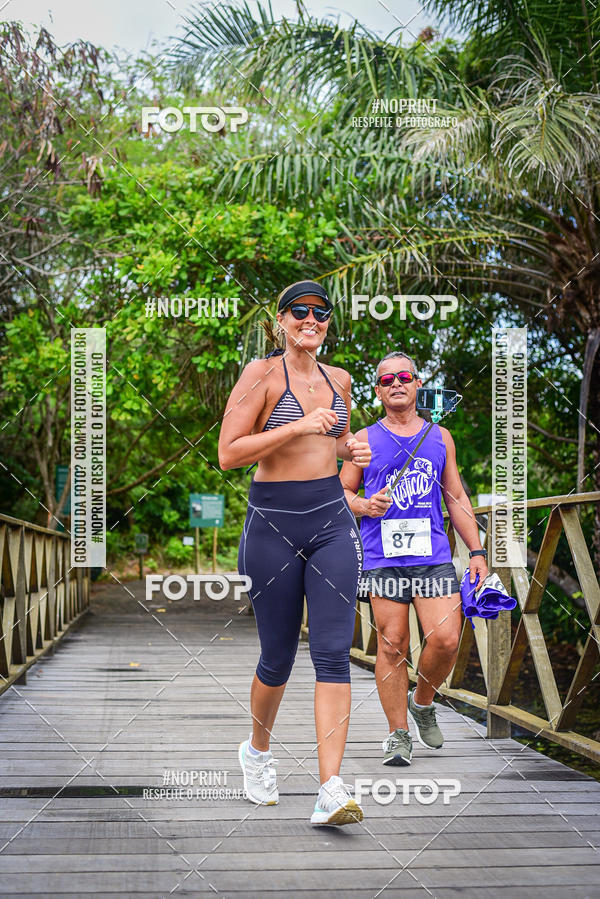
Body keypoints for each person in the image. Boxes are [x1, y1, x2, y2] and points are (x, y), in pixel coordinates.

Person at [218, 280, 371, 825]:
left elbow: (335, 448)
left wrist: (349, 449)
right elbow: (228, 453)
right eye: (300, 311)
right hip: (273, 524)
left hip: (330, 519)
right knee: (277, 658)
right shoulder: (260, 375)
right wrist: (300, 426)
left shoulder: (341, 381)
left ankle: (331, 786)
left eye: (321, 313)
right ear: (279, 320)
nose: (312, 320)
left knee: (332, 652)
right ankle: (257, 751)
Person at [340, 350, 488, 766]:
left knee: (445, 639)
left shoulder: (440, 437)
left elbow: (456, 496)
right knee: (392, 644)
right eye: (387, 380)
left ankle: (422, 702)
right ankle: (398, 734)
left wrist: (476, 551)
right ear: (378, 391)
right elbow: (341, 493)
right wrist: (365, 505)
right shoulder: (365, 439)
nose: (397, 384)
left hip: (433, 554)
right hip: (383, 557)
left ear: (417, 383)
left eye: (404, 376)